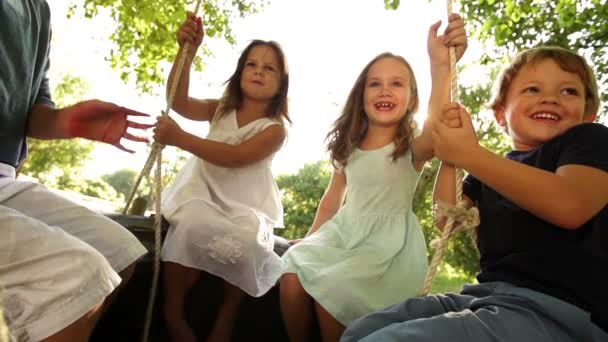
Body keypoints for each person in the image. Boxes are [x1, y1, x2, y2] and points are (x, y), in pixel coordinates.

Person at [341, 46, 608, 342]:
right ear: (500, 114)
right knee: (364, 330)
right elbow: (447, 219)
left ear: (589, 113)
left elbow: (570, 205)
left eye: (569, 91)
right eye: (532, 89)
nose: (550, 98)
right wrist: (451, 154)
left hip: (561, 313)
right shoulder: (489, 172)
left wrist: (470, 154)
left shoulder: (589, 141)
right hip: (487, 298)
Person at [278, 14, 468, 342]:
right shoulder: (349, 148)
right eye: (375, 83)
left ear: (411, 99)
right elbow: (331, 202)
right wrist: (311, 238)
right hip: (344, 233)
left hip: (386, 246)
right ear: (362, 96)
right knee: (291, 273)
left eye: (397, 83)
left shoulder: (411, 146)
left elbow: (436, 121)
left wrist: (440, 67)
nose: (385, 90)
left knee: (333, 292)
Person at [0, 1, 152, 341]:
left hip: (5, 179)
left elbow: (36, 113)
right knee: (83, 274)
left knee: (119, 254)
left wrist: (67, 122)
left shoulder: (38, 10)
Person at [152, 11, 291, 342]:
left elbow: (235, 158)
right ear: (240, 72)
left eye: (269, 67)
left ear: (281, 83)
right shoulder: (221, 108)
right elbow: (180, 101)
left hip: (245, 204)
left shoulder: (274, 130)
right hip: (202, 193)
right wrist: (187, 53)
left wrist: (180, 138)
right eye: (251, 64)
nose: (259, 71)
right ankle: (173, 310)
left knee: (247, 241)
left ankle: (228, 313)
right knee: (190, 225)